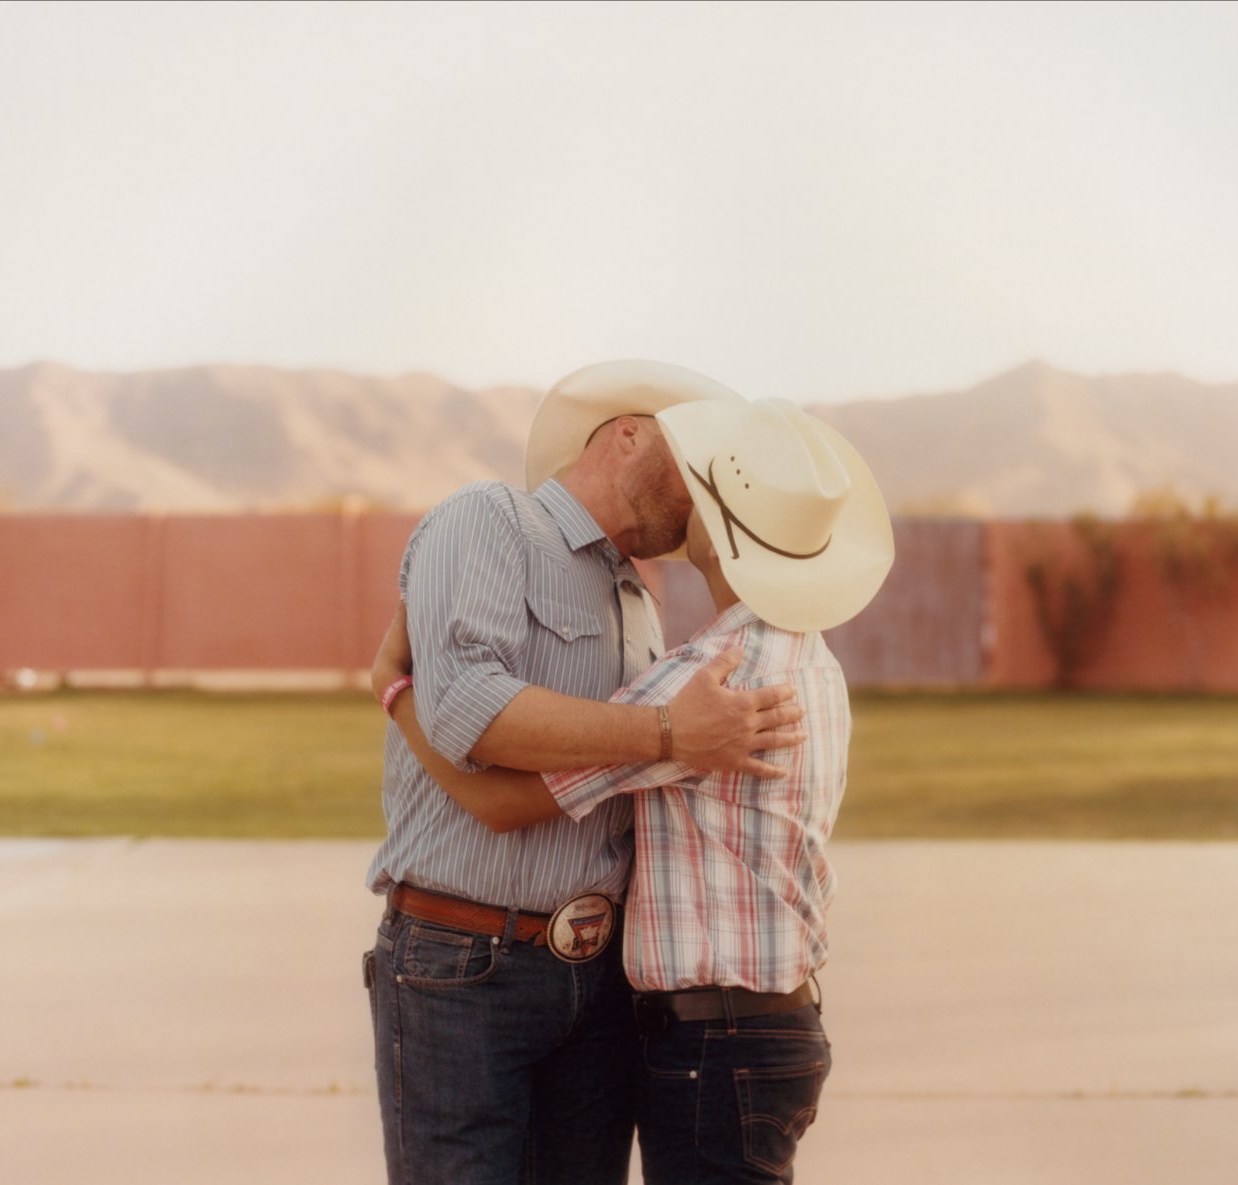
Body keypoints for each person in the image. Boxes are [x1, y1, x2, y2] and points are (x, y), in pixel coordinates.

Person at [379, 396, 895, 1184]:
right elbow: (471, 709)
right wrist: (665, 735)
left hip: (662, 1019)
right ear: (626, 433)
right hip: (486, 974)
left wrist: (392, 689)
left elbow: (502, 800)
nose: (701, 478)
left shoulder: (705, 668)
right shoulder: (809, 664)